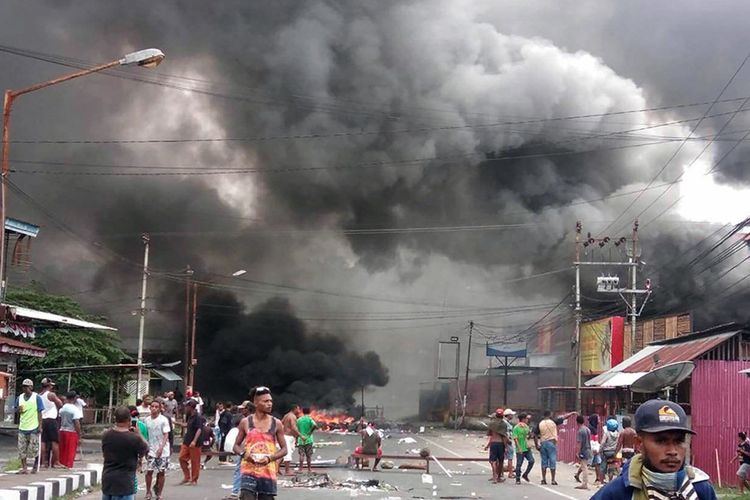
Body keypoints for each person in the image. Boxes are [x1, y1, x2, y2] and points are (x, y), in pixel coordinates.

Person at [592, 399, 717, 500]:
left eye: (679, 441)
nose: (672, 451)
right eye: (661, 441)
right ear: (639, 443)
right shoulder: (617, 493)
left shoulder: (701, 488)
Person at [233, 387, 287, 500]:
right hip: (248, 471)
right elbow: (236, 446)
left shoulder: (276, 423)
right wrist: (244, 454)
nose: (270, 404)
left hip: (268, 474)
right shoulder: (245, 422)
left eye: (271, 401)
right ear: (256, 403)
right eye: (265, 401)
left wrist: (269, 458)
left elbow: (284, 449)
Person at [102, 406, 149, 500]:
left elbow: (104, 454)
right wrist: (139, 434)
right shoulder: (134, 438)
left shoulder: (106, 435)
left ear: (115, 419)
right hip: (125, 482)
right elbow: (146, 449)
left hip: (108, 480)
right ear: (129, 419)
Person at [225, 401, 253, 500]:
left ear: (247, 409)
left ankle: (235, 493)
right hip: (246, 449)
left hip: (246, 449)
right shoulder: (251, 420)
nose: (241, 410)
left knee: (239, 471)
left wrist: (242, 452)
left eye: (243, 408)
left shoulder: (246, 421)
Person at [144, 400, 170, 500]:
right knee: (149, 471)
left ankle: (159, 493)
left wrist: (161, 448)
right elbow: (145, 434)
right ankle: (148, 491)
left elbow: (166, 434)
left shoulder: (163, 420)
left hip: (163, 450)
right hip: (151, 449)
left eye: (156, 407)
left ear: (159, 409)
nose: (154, 408)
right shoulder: (146, 420)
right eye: (152, 406)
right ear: (150, 408)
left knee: (161, 472)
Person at [17, 378, 43, 474]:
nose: (25, 389)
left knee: (34, 448)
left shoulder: (36, 398)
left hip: (33, 426)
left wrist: (40, 426)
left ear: (31, 387)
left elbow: (40, 412)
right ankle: (24, 467)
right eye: (24, 387)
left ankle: (35, 466)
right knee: (21, 448)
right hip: (23, 426)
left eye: (27, 387)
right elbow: (17, 410)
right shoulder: (19, 398)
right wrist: (18, 410)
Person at [39, 377, 63, 468]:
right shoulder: (51, 395)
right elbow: (60, 404)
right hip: (51, 420)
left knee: (43, 441)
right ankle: (56, 462)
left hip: (42, 419)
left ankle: (42, 463)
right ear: (49, 386)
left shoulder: (39, 395)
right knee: (55, 441)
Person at [178, 399, 204, 485]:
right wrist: (178, 423)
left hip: (195, 442)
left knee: (195, 461)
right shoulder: (190, 416)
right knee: (181, 458)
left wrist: (194, 441)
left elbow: (199, 429)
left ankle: (194, 480)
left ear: (190, 407)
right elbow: (188, 425)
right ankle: (187, 477)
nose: (185, 408)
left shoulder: (198, 417)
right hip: (187, 441)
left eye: (186, 406)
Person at [58, 391, 83, 468]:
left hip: (62, 430)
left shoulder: (62, 409)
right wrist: (79, 435)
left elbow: (59, 420)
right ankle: (68, 466)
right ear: (74, 398)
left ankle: (61, 464)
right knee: (70, 451)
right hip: (71, 432)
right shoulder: (75, 409)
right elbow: (77, 423)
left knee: (62, 450)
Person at [484, 408, 508, 483]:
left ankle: (494, 476)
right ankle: (498, 477)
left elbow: (490, 435)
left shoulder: (491, 423)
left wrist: (488, 445)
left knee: (493, 461)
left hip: (493, 443)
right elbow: (504, 436)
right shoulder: (504, 424)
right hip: (500, 444)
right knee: (501, 461)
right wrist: (506, 447)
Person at [538, 410, 560, 485]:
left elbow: (534, 434)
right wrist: (572, 413)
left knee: (544, 461)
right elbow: (563, 418)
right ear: (550, 415)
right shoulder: (553, 422)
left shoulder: (540, 423)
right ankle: (553, 480)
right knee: (552, 461)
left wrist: (537, 445)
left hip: (543, 443)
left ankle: (543, 479)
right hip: (551, 443)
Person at [512, 413, 535, 484]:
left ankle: (525, 474)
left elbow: (528, 436)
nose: (527, 420)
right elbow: (515, 439)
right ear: (523, 419)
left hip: (527, 447)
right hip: (520, 447)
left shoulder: (526, 427)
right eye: (526, 419)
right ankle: (518, 478)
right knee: (519, 464)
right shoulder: (516, 428)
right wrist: (519, 448)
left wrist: (531, 435)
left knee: (531, 461)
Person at [296, 407, 317, 473]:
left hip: (301, 439)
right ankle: (309, 469)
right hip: (309, 439)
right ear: (309, 412)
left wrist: (296, 439)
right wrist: (310, 432)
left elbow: (296, 429)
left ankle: (300, 469)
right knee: (308, 455)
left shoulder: (299, 420)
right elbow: (315, 425)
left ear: (302, 412)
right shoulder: (309, 419)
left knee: (301, 455)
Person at [281, 405, 301, 475]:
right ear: (295, 409)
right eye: (298, 409)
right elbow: (293, 427)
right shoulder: (292, 416)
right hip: (288, 437)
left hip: (287, 436)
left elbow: (281, 423)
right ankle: (287, 471)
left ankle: (276, 469)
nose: (299, 410)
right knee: (288, 454)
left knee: (282, 454)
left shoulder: (286, 415)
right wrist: (300, 435)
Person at [574, 414, 592, 490]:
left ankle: (585, 484)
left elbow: (579, 443)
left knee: (584, 467)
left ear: (577, 422)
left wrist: (577, 452)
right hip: (588, 449)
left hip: (583, 450)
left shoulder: (580, 431)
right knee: (584, 465)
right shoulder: (587, 429)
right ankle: (577, 476)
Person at [601, 418, 621, 482]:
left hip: (606, 452)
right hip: (614, 452)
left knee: (603, 466)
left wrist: (600, 449)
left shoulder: (607, 433)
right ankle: (610, 481)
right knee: (611, 467)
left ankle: (601, 480)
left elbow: (603, 442)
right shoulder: (618, 434)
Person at [503, 409, 516, 479]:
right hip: (508, 442)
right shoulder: (505, 423)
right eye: (511, 415)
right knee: (510, 458)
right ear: (508, 415)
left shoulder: (507, 422)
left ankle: (501, 473)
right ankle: (510, 473)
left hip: (507, 441)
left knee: (504, 458)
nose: (512, 416)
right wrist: (508, 440)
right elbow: (505, 433)